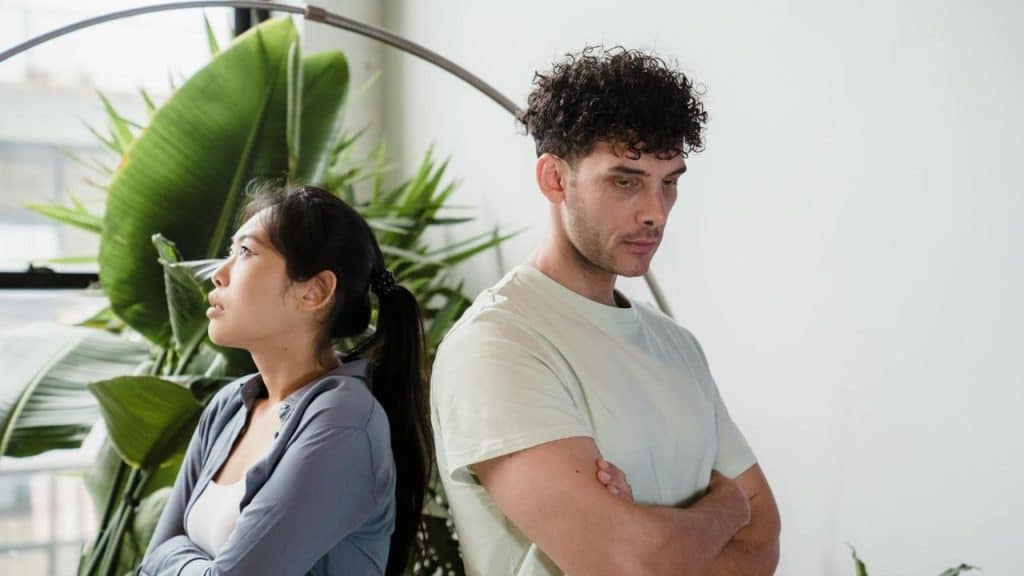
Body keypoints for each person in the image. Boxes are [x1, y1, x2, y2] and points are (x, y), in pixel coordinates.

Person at [430, 46, 781, 575]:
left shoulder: (676, 345)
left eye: (670, 182)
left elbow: (763, 542)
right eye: (625, 181)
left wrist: (651, 530)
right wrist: (726, 507)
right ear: (554, 179)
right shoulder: (497, 345)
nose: (655, 213)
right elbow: (626, 563)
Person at [139, 185, 432, 576]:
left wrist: (176, 555)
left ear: (314, 292)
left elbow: (176, 558)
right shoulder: (229, 405)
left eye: (245, 252)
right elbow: (149, 561)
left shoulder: (343, 421)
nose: (219, 273)